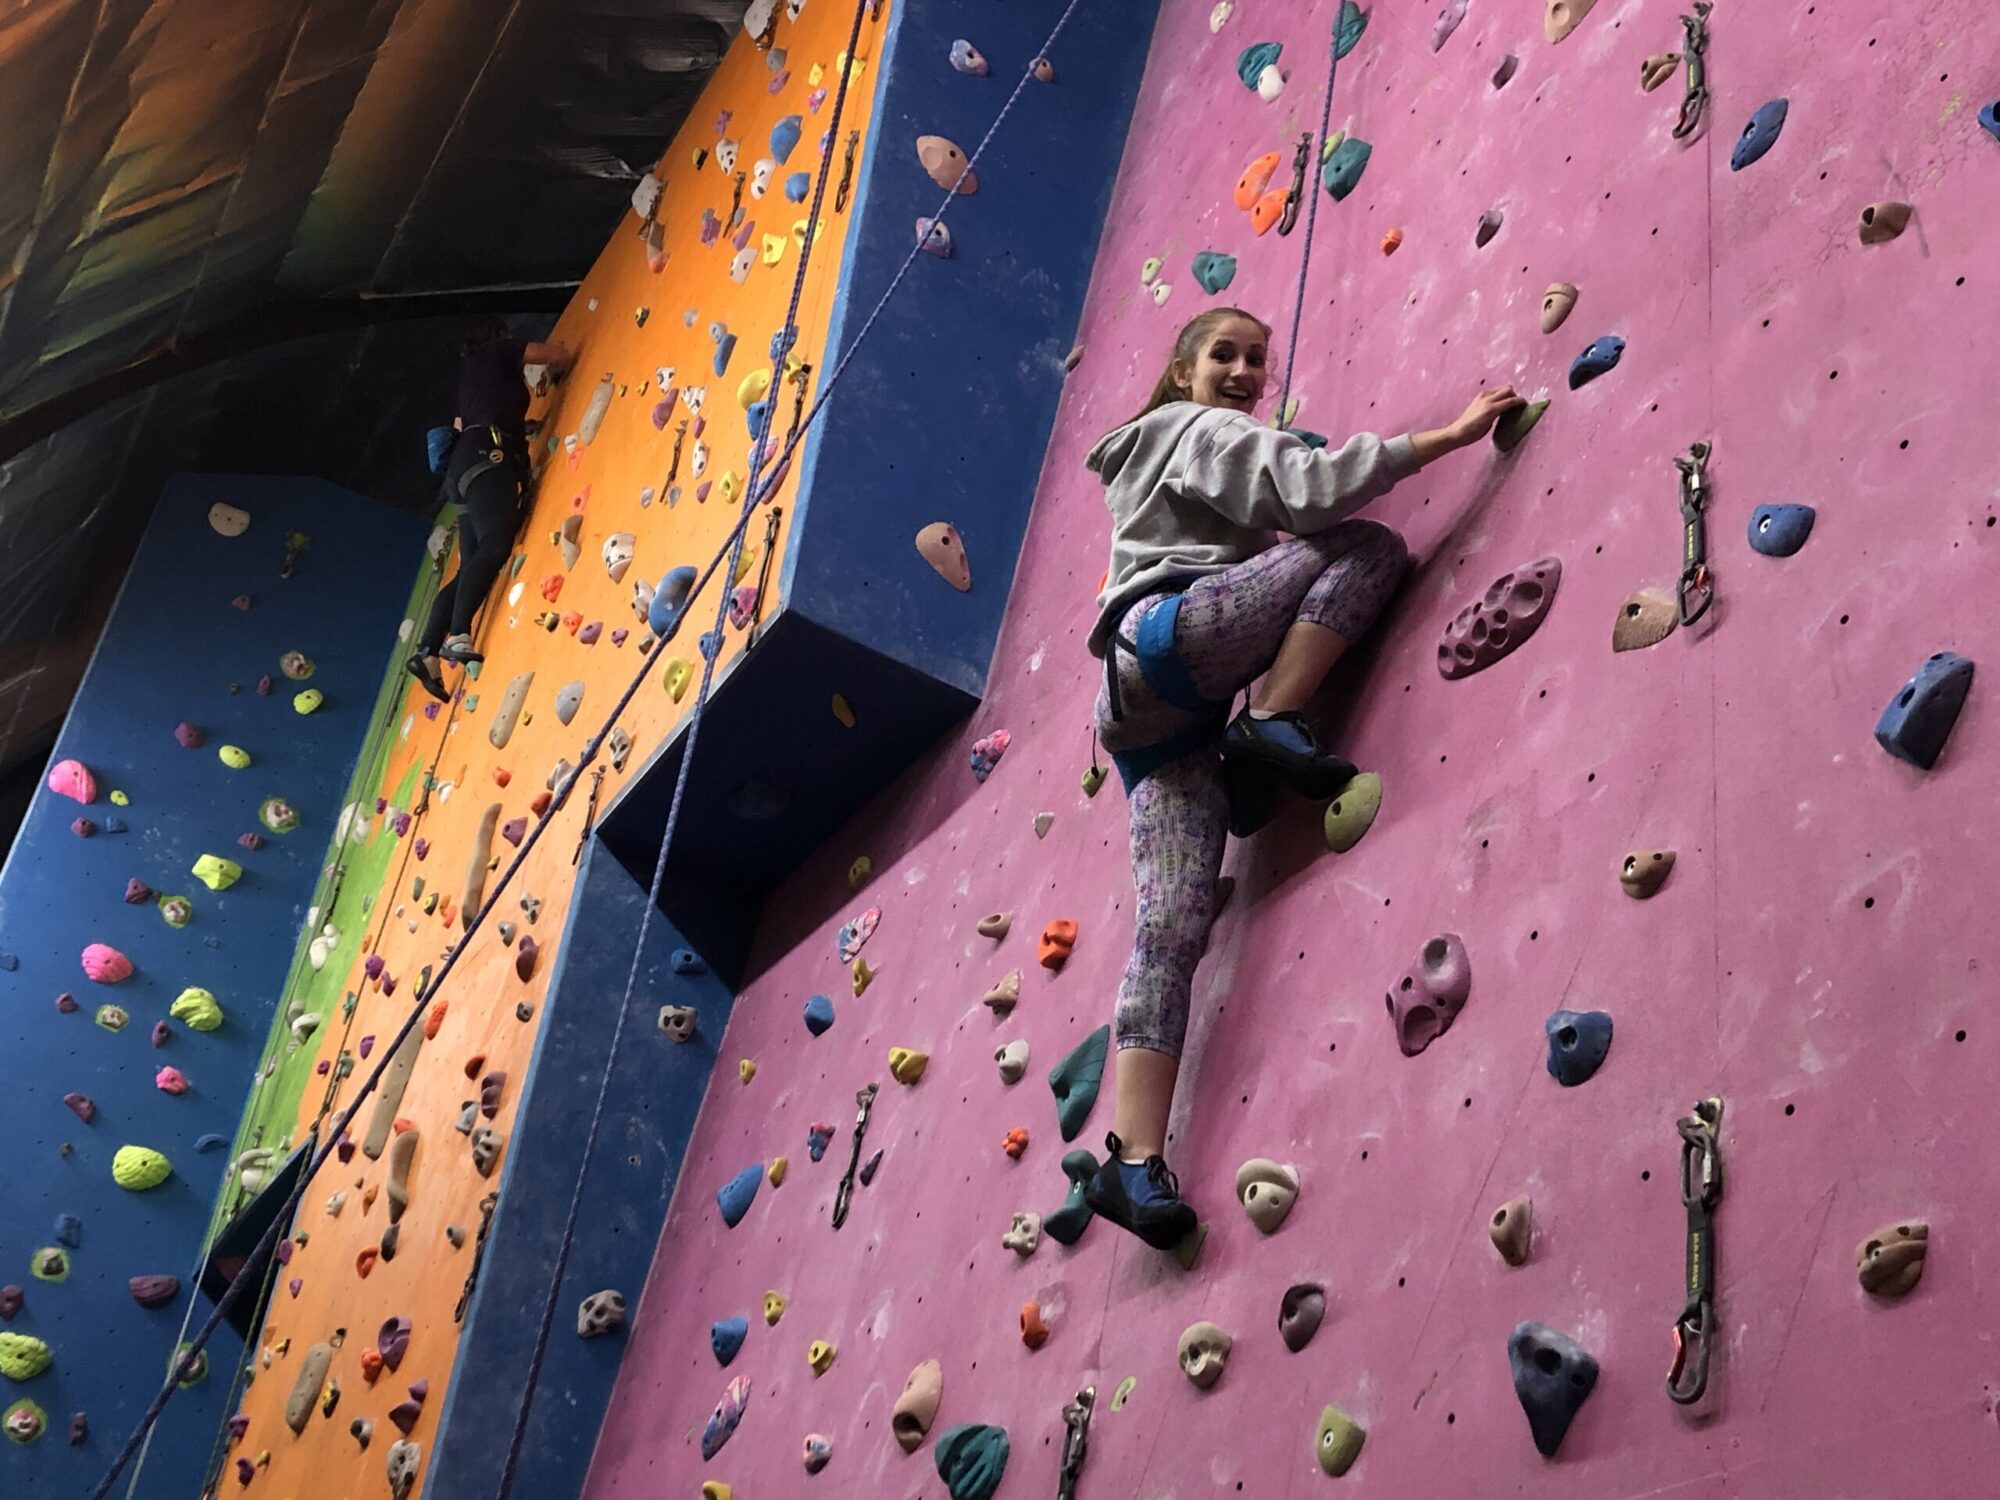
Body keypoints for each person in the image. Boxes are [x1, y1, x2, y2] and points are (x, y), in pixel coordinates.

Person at [1078, 306, 1522, 1248]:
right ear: (1182, 372)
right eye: (1224, 356)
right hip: (1176, 640)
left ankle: (1131, 1162)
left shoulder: (1155, 459)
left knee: (1169, 931)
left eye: (1256, 360)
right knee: (1367, 548)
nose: (1244, 371)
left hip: (1147, 718)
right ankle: (1273, 719)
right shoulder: (1196, 429)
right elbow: (1308, 491)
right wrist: (1443, 437)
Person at [407, 317, 574, 701]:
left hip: (464, 466)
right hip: (488, 458)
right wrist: (556, 361)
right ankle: (458, 634)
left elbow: (473, 421)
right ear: (500, 336)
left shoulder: (472, 381)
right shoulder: (500, 351)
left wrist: (523, 427)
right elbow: (557, 355)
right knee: (497, 543)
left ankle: (427, 651)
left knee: (472, 564)